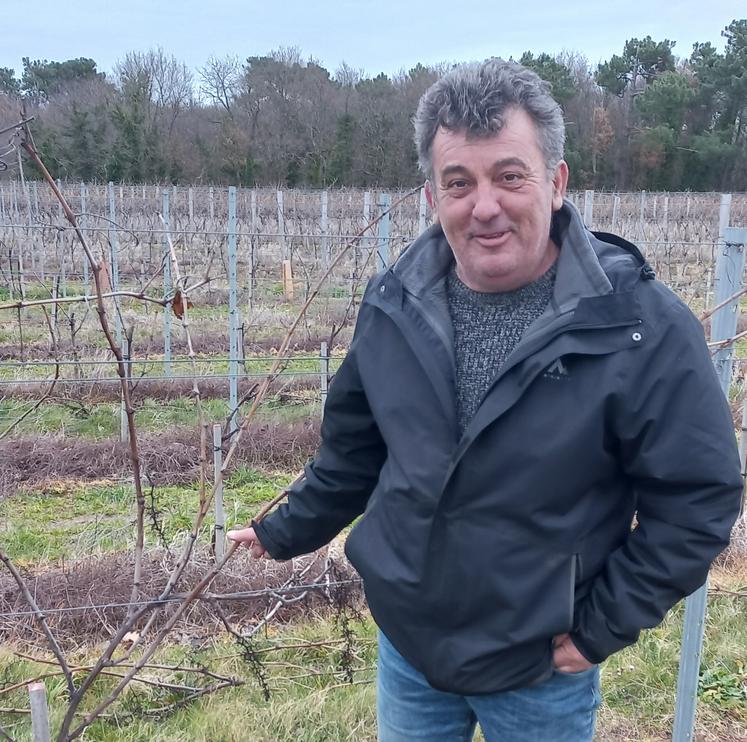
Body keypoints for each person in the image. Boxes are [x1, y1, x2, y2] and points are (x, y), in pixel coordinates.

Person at [228, 59, 743, 741]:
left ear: (555, 183)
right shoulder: (393, 303)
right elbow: (356, 451)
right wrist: (285, 528)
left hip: (539, 665)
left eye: (509, 175)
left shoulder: (636, 327)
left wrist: (598, 630)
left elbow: (697, 496)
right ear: (431, 197)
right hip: (409, 644)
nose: (485, 205)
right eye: (459, 182)